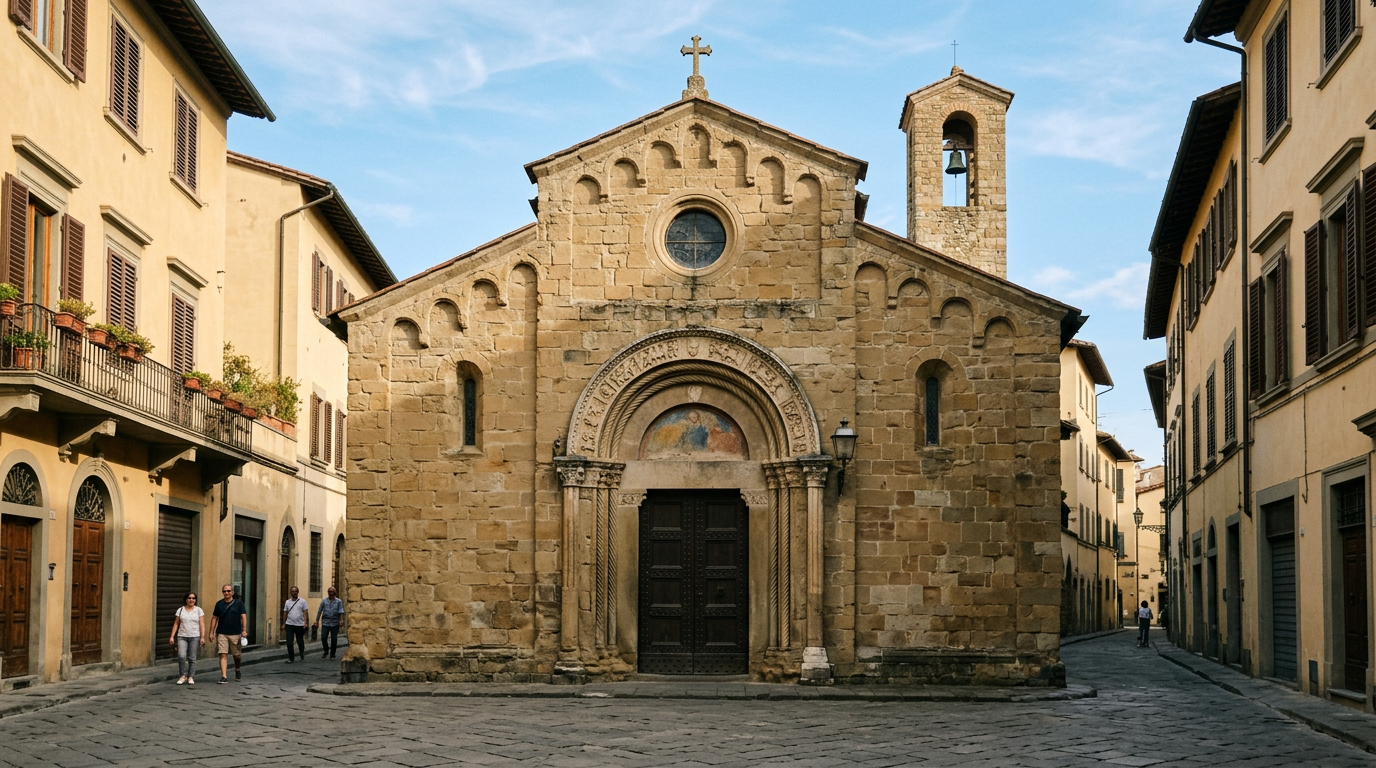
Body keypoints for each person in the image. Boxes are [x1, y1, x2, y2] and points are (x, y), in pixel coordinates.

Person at [209, 584, 247, 684]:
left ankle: (237, 669)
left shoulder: (239, 604)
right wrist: (211, 632)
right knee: (223, 654)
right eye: (224, 591)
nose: (226, 593)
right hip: (222, 633)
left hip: (235, 633)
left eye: (228, 591)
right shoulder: (219, 604)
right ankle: (224, 676)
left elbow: (243, 617)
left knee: (237, 655)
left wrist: (244, 630)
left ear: (232, 592)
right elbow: (214, 618)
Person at [168, 592, 205, 685]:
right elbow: (176, 623)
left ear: (195, 600)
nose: (191, 600)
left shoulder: (198, 610)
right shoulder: (180, 610)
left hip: (194, 636)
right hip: (182, 636)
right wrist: (172, 636)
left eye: (193, 598)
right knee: (181, 656)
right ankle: (182, 676)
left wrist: (202, 637)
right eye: (189, 598)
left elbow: (202, 624)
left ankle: (191, 676)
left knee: (192, 658)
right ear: (186, 599)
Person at [315, 585, 344, 659]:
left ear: (335, 592)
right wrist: (317, 621)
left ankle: (332, 654)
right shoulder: (324, 601)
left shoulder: (339, 601)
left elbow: (341, 612)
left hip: (335, 622)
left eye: (332, 591)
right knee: (323, 638)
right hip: (326, 622)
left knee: (334, 639)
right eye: (329, 591)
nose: (331, 592)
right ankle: (326, 650)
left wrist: (341, 620)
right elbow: (319, 611)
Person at [282, 586, 309, 663]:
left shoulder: (302, 601)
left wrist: (305, 623)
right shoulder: (287, 602)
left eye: (295, 591)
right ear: (290, 592)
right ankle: (291, 658)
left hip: (299, 625)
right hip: (289, 624)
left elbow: (305, 613)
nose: (294, 592)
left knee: (300, 641)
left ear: (297, 592)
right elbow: (285, 613)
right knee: (289, 642)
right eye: (292, 591)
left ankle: (301, 653)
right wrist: (284, 623)